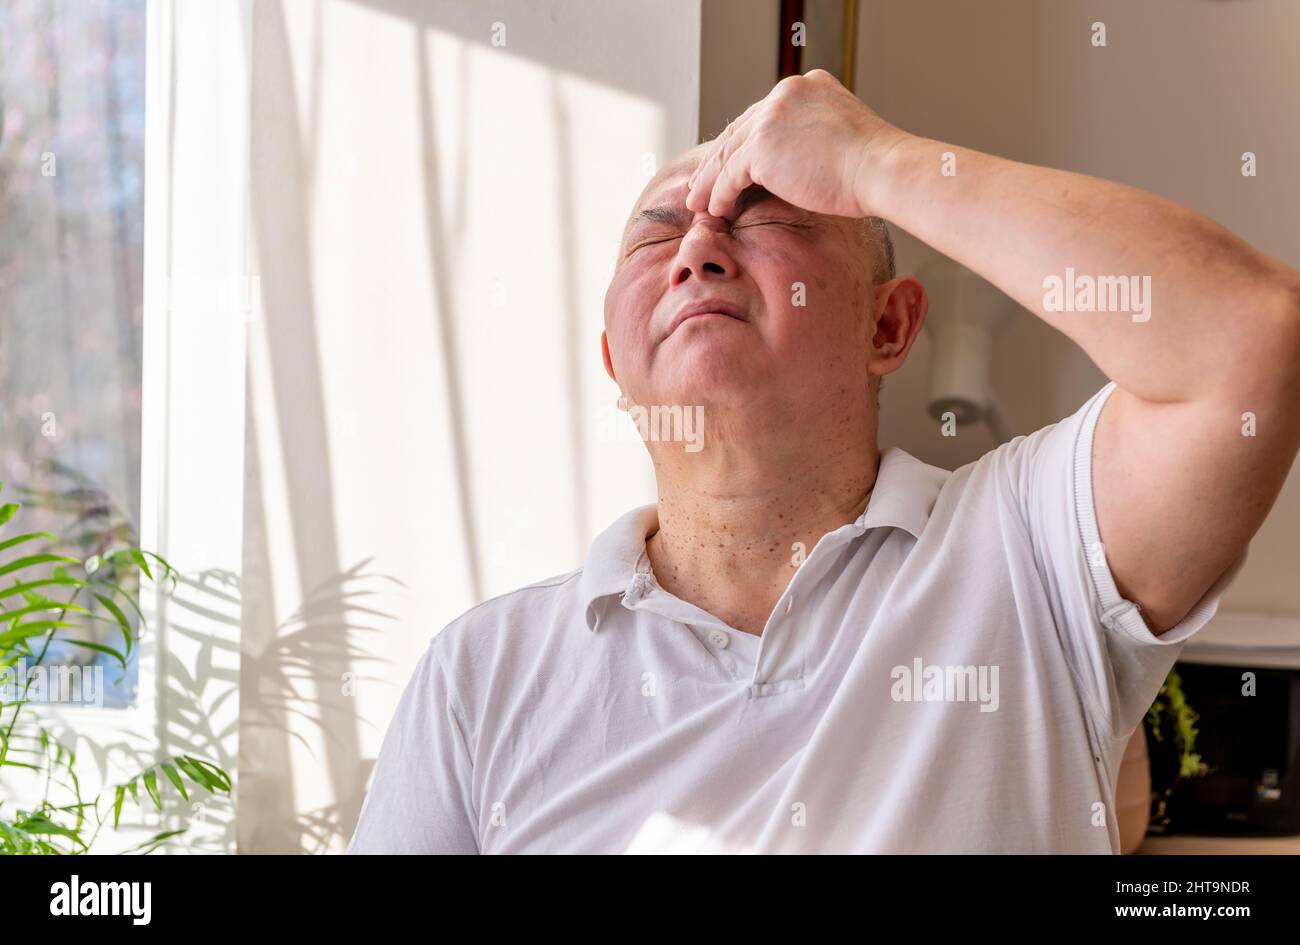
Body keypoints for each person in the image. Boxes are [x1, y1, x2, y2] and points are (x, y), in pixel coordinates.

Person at [347, 70, 1300, 854]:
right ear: (615, 362)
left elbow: (1250, 338)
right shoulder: (478, 677)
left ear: (888, 325)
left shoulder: (1033, 549)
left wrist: (871, 158)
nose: (697, 250)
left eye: (765, 215)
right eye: (657, 232)